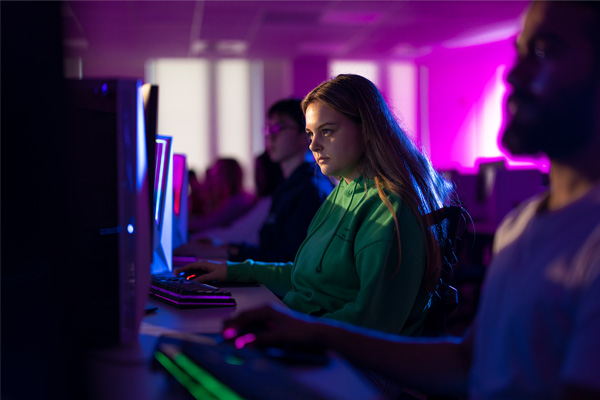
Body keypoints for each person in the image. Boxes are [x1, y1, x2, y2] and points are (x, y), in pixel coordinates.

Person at [221, 2, 600, 399]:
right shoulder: (519, 226)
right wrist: (307, 330)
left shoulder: (590, 241)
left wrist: (312, 332)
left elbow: (378, 322)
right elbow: (467, 364)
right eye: (520, 53)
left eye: (546, 51)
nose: (514, 74)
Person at [176, 75, 455, 335]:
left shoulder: (391, 208)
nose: (314, 145)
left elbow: (374, 322)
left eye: (327, 131)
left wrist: (292, 329)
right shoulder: (343, 190)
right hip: (312, 334)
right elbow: (304, 277)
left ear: (368, 129)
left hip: (347, 360)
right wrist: (230, 271)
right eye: (311, 134)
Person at [174, 99, 334, 262]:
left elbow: (289, 260)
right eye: (269, 128)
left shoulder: (309, 188)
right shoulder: (287, 186)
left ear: (305, 135)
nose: (271, 136)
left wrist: (229, 253)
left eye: (279, 127)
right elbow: (270, 248)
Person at [193, 151, 284, 246]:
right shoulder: (243, 200)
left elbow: (237, 232)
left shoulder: (241, 202)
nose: (256, 177)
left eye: (216, 172)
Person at [187, 158, 256, 234]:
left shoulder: (238, 202)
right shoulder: (233, 198)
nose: (213, 176)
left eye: (217, 172)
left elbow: (209, 223)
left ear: (227, 175)